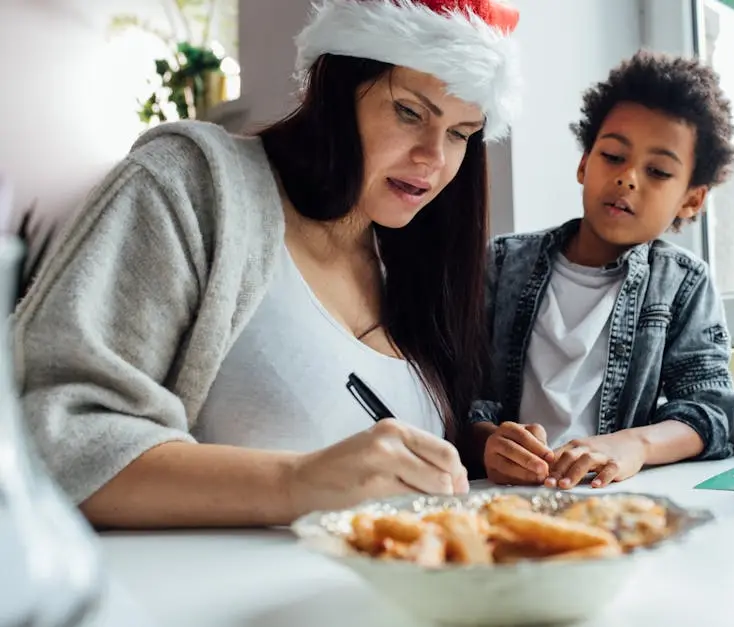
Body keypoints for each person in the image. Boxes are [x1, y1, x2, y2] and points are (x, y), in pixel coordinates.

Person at [12, 0, 523, 529]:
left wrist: (478, 445)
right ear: (338, 85)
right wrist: (298, 482)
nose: (433, 158)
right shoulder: (189, 187)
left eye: (462, 133)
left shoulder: (415, 261)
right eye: (410, 112)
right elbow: (49, 436)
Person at [468, 50, 734, 490]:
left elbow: (709, 411)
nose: (628, 177)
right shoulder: (499, 264)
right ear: (583, 163)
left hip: (610, 499)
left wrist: (632, 446)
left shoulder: (683, 284)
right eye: (613, 155)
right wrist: (487, 443)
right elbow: (455, 392)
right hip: (503, 498)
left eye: (657, 170)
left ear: (692, 199)